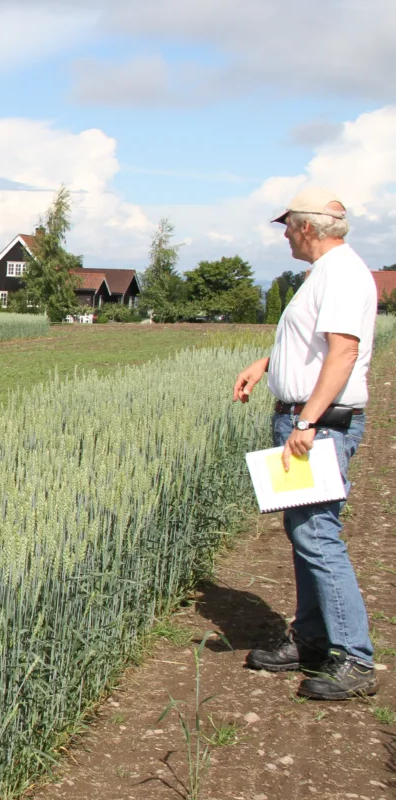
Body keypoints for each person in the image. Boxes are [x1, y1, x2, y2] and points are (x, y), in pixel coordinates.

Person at [233, 187, 379, 700]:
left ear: (309, 227)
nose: (286, 234)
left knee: (318, 536)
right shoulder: (327, 274)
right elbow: (312, 346)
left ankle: (355, 660)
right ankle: (314, 640)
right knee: (304, 536)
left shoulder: (340, 274)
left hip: (318, 424)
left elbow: (342, 353)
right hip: (306, 417)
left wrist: (308, 420)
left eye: (288, 225)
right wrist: (266, 365)